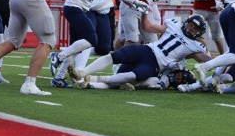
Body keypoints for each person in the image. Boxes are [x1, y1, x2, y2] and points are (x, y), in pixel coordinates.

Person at [69, 14, 212, 89]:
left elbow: (208, 61)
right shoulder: (173, 25)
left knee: (130, 76)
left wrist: (222, 61)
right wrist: (144, 12)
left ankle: (93, 82)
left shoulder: (195, 46)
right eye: (191, 25)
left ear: (199, 33)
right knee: (113, 56)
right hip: (146, 49)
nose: (191, 29)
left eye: (195, 29)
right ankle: (82, 73)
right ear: (186, 22)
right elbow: (147, 26)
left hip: (155, 64)